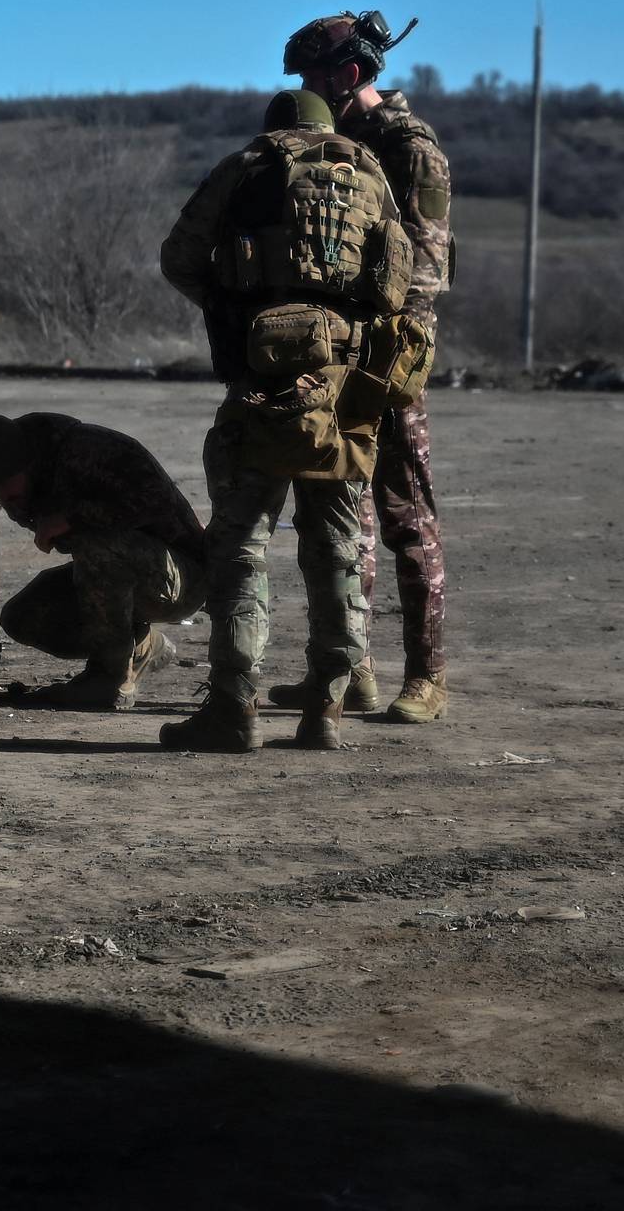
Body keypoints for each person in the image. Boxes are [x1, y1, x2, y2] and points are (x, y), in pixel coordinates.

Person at [157, 88, 412, 752]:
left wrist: (231, 305)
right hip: (345, 393)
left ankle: (232, 708)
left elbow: (178, 257)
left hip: (262, 385)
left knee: (241, 544)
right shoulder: (368, 174)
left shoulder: (246, 167)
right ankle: (325, 708)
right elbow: (399, 274)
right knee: (335, 548)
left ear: (275, 128)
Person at [269, 10, 453, 725]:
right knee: (347, 521)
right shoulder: (330, 147)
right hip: (337, 357)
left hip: (388, 357)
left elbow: (426, 274)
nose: (306, 92)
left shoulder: (410, 150)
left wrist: (369, 335)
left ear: (349, 76)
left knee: (406, 517)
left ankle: (427, 678)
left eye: (315, 79)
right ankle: (352, 671)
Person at [0, 412, 205, 709]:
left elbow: (156, 500)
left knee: (96, 544)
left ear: (28, 463)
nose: (3, 497)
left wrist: (71, 519)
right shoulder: (26, 488)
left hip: (182, 577)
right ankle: (139, 645)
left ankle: (110, 677)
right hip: (127, 572)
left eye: (6, 483)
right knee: (23, 616)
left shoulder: (88, 450)